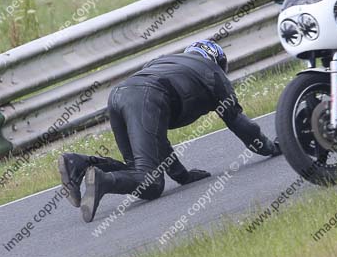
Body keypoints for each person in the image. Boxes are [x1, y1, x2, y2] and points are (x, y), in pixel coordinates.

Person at [59, 40, 281, 223]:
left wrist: (183, 176)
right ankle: (101, 179)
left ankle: (79, 164)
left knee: (138, 172)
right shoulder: (214, 75)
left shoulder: (164, 61)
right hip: (146, 97)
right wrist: (271, 147)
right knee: (150, 182)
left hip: (118, 95)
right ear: (218, 62)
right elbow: (243, 126)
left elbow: (157, 138)